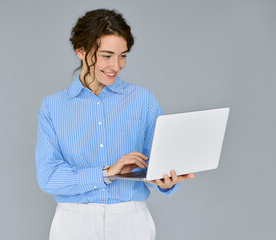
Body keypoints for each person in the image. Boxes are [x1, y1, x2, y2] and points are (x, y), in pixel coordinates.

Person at [36, 8, 194, 240]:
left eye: (123, 55)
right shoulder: (53, 107)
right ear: (81, 51)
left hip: (131, 222)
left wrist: (166, 181)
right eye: (107, 55)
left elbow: (159, 161)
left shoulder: (142, 99)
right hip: (74, 223)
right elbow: (48, 176)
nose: (116, 65)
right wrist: (105, 173)